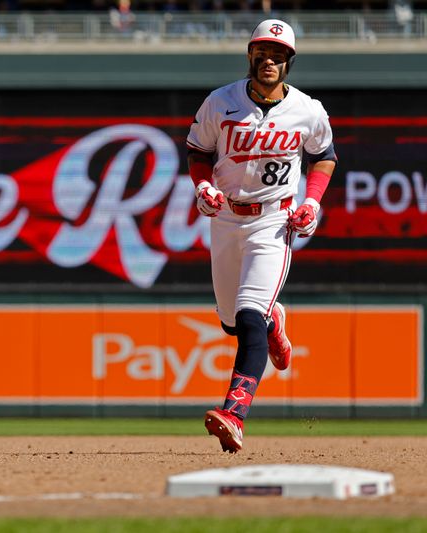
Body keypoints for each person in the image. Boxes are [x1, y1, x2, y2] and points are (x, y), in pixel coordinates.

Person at [185, 19, 337, 453]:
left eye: (279, 54)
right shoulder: (221, 101)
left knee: (249, 316)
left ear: (289, 62)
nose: (269, 60)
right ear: (250, 55)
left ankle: (234, 413)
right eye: (262, 52)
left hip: (274, 222)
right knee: (232, 322)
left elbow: (323, 157)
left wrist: (313, 202)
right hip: (226, 219)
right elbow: (198, 151)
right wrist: (202, 186)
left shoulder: (308, 109)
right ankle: (275, 323)